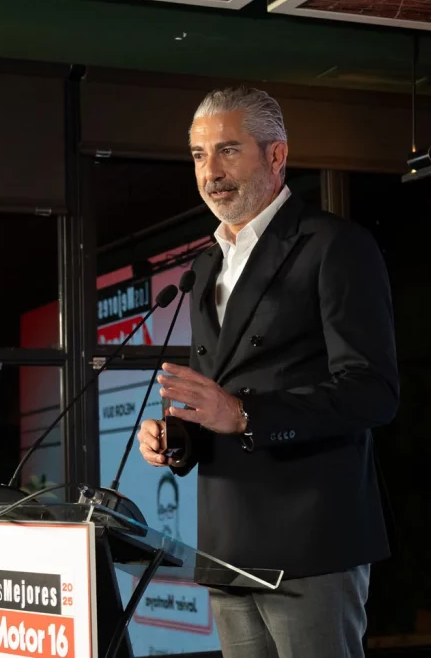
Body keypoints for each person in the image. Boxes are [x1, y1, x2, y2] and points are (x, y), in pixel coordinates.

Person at [136, 86, 399, 658]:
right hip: (228, 540)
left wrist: (245, 414)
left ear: (276, 156)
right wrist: (175, 439)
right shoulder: (206, 264)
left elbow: (373, 393)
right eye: (200, 156)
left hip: (311, 541)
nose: (211, 172)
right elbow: (220, 400)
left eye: (228, 150)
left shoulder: (335, 245)